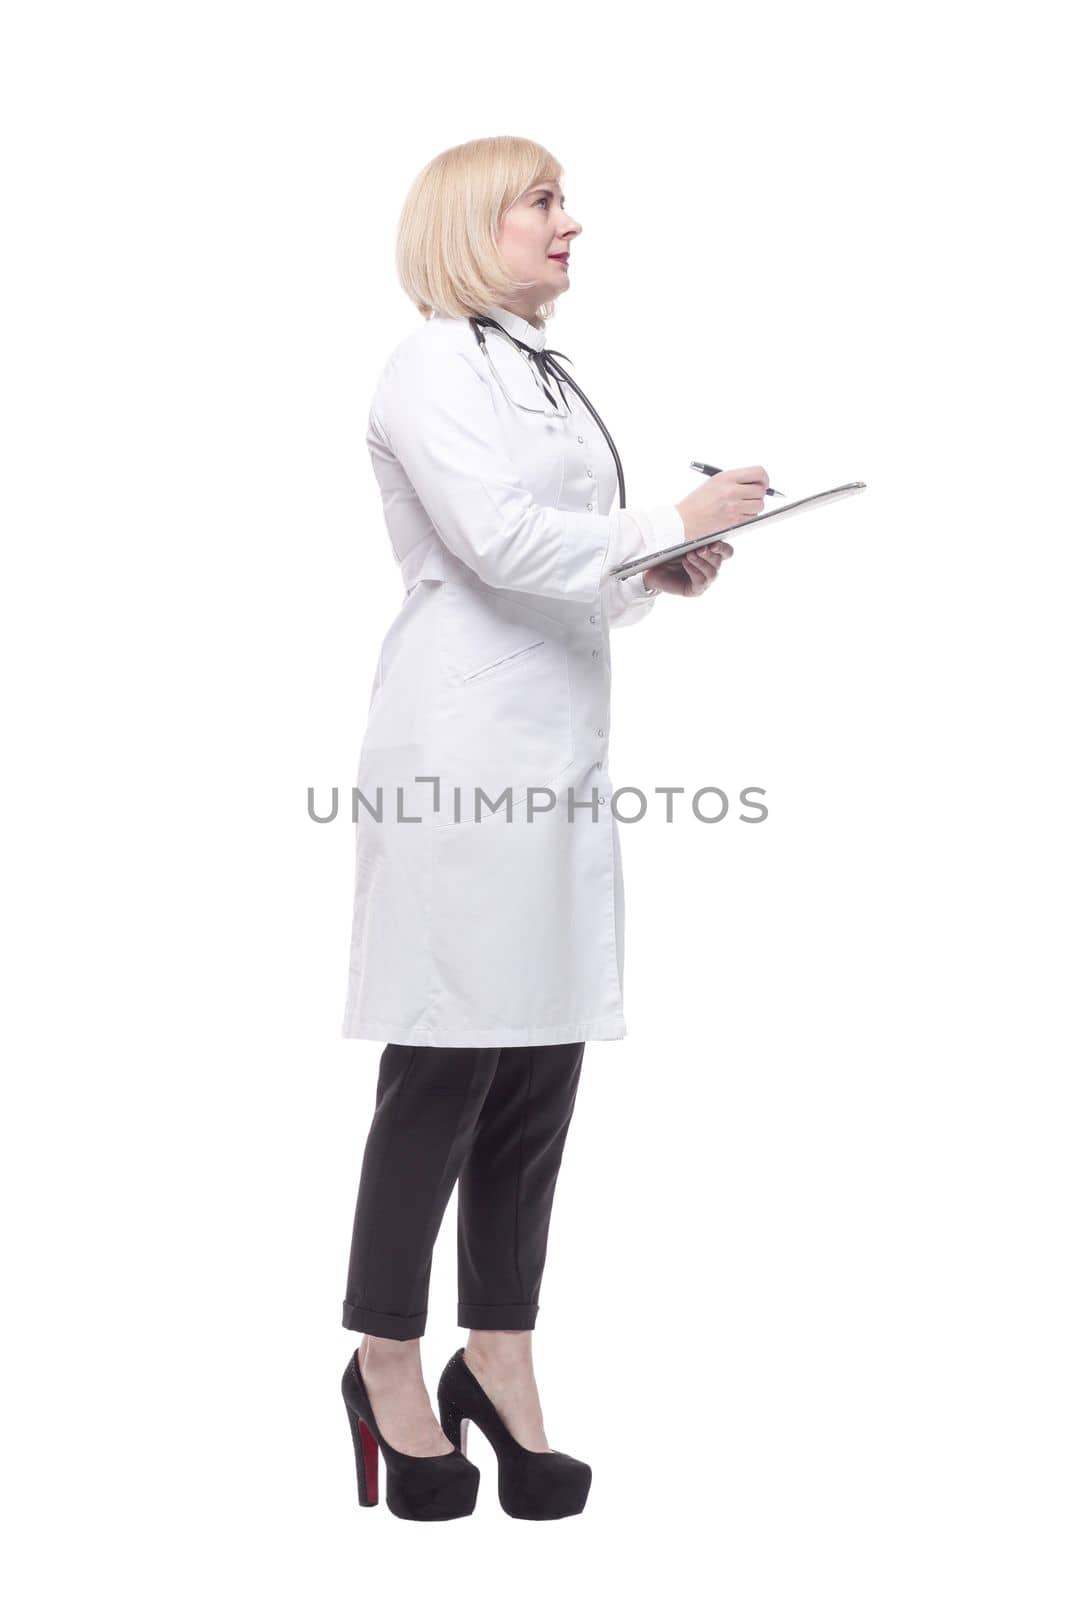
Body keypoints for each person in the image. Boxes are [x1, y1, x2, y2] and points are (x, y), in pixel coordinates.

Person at [338, 135, 768, 1521]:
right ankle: (387, 1358)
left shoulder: (540, 372)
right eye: (544, 203)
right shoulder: (429, 368)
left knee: (534, 1066)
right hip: (462, 754)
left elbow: (571, 563)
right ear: (476, 223)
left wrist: (662, 567)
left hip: (550, 745)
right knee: (445, 1066)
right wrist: (663, 520)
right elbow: (498, 544)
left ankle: (502, 1354)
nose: (571, 225)